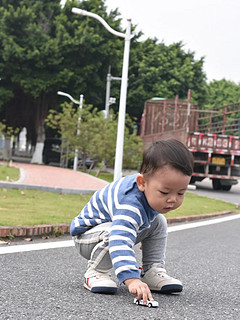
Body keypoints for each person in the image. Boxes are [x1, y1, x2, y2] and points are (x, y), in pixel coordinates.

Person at [70, 138, 193, 304]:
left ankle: (152, 270)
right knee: (112, 232)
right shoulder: (131, 203)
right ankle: (96, 271)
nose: (172, 200)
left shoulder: (148, 192)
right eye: (164, 192)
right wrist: (131, 279)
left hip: (110, 230)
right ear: (142, 183)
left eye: (180, 193)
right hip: (87, 237)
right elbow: (119, 238)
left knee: (159, 222)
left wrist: (145, 232)